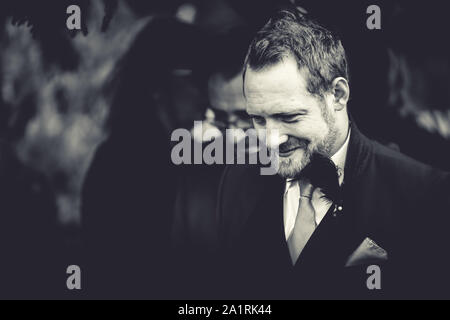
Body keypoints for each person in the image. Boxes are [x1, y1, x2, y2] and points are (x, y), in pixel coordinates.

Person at [216, 8, 450, 299]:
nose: (270, 139)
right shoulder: (238, 180)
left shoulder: (425, 192)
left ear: (338, 95)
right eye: (258, 119)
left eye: (289, 117)